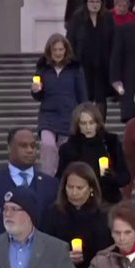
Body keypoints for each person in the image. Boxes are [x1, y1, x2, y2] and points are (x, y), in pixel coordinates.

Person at [0, 128, 59, 246]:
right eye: (23, 146)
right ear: (9, 148)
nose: (30, 150)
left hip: (41, 254)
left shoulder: (51, 184)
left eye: (33, 146)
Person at [30, 34, 86, 177]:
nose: (58, 53)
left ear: (66, 50)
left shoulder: (75, 69)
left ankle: (62, 180)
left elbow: (82, 95)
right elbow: (38, 96)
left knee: (64, 152)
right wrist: (36, 90)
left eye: (61, 49)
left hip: (68, 116)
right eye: (55, 50)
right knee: (47, 145)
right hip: (48, 116)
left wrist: (84, 114)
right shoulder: (43, 69)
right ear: (49, 51)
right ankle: (47, 178)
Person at [57, 103, 129, 204]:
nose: (88, 127)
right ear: (77, 125)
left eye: (91, 123)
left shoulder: (110, 143)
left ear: (97, 123)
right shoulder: (68, 148)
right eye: (83, 123)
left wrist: (111, 177)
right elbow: (60, 178)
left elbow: (125, 176)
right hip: (79, 201)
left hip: (107, 199)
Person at [66, 0, 115, 119]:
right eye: (92, 2)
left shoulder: (107, 18)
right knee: (84, 97)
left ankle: (100, 126)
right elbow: (70, 41)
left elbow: (113, 40)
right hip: (83, 65)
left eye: (97, 2)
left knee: (101, 98)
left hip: (102, 65)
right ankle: (84, 123)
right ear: (86, 3)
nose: (95, 5)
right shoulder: (77, 18)